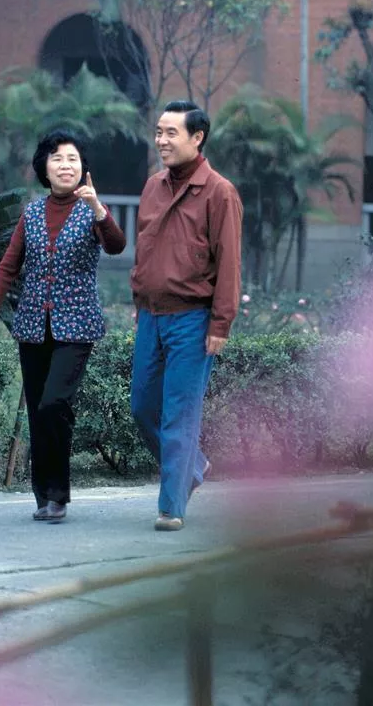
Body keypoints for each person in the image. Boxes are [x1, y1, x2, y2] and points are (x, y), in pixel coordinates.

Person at [0, 130, 126, 523]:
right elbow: (8, 266)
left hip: (77, 326)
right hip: (32, 326)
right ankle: (45, 497)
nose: (65, 165)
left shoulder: (92, 209)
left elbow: (117, 245)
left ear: (82, 168)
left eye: (72, 159)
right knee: (39, 412)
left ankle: (58, 493)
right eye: (57, 158)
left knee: (54, 403)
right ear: (45, 167)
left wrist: (98, 208)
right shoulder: (32, 213)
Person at [130, 100, 242, 532]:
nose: (161, 140)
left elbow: (229, 263)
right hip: (151, 315)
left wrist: (221, 323)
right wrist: (140, 301)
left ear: (197, 138)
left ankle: (171, 507)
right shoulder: (152, 186)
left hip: (193, 319)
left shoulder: (219, 192)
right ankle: (193, 466)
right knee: (142, 406)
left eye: (171, 133)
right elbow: (145, 249)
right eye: (159, 132)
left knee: (179, 414)